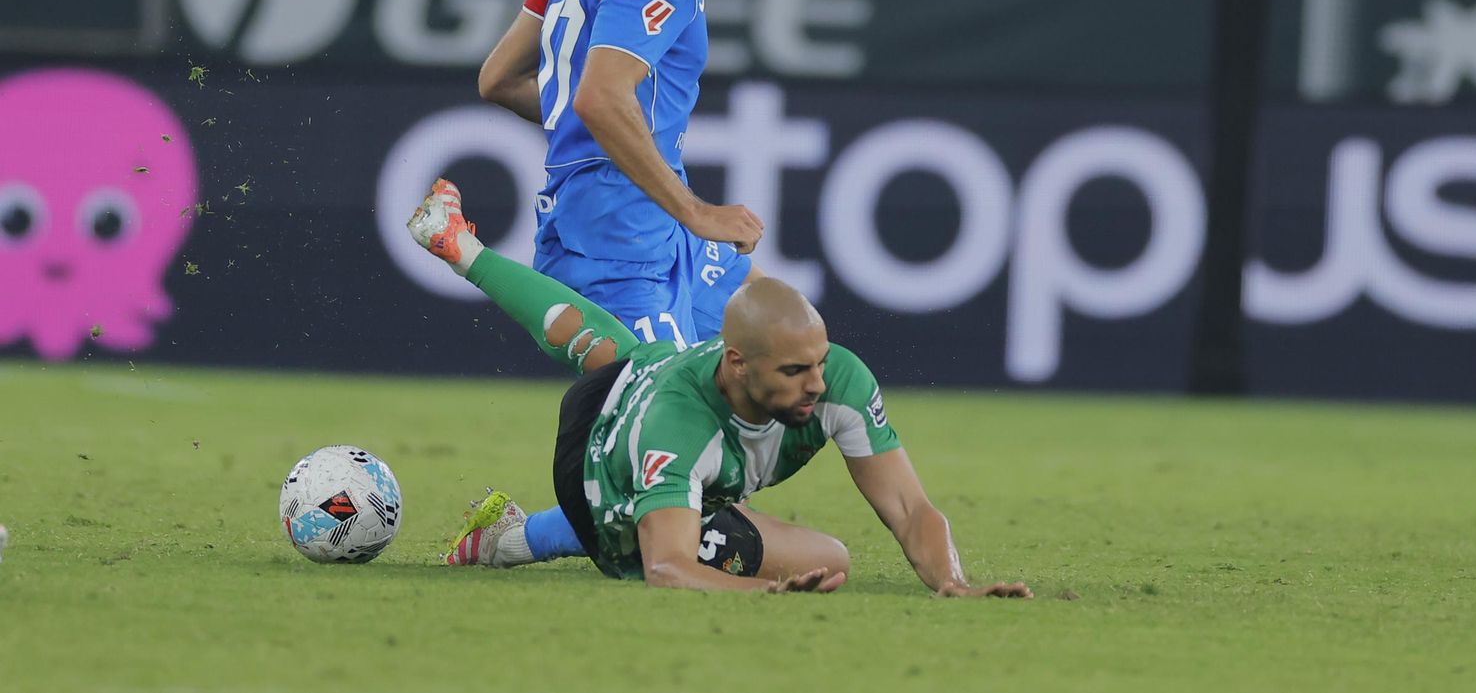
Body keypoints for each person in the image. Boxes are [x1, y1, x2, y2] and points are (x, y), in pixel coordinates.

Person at [406, 178, 1034, 597]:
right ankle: (510, 540)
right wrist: (761, 592)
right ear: (736, 365)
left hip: (649, 376)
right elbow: (666, 567)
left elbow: (909, 509)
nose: (815, 385)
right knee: (663, 490)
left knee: (618, 350)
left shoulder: (836, 378)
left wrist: (955, 583)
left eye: (815, 363)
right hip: (596, 476)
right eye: (794, 373)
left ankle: (460, 248)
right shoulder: (680, 429)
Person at [477, 0, 765, 353]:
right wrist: (696, 211)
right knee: (657, 412)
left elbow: (498, 79)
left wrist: (591, 120)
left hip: (624, 213)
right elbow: (600, 99)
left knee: (784, 347)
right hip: (623, 228)